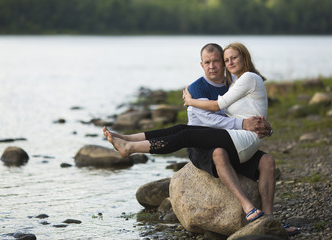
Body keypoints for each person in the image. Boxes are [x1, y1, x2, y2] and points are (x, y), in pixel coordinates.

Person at [103, 42, 300, 235]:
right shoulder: (197, 89)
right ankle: (127, 141)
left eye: (218, 61)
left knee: (266, 160)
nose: (213, 66)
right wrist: (242, 124)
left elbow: (250, 111)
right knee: (190, 135)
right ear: (201, 64)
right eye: (208, 62)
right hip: (202, 145)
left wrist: (266, 128)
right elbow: (212, 120)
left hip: (230, 138)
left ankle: (269, 221)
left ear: (222, 64)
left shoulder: (233, 82)